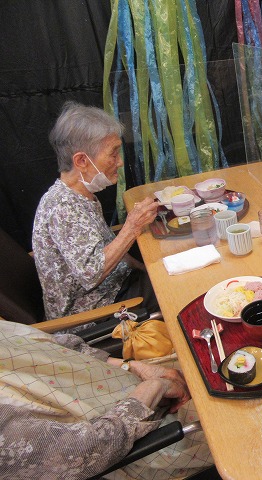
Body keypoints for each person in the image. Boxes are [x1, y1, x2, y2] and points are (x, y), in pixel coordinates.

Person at [0, 319, 214, 479]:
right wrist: (155, 387)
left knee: (208, 350)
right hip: (144, 445)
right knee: (228, 413)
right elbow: (89, 449)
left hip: (133, 384)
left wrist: (133, 366)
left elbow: (61, 346)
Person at [32, 102, 160, 325]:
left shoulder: (81, 195)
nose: (120, 162)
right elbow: (91, 274)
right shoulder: (62, 207)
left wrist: (145, 269)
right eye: (113, 153)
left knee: (168, 269)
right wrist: (132, 226)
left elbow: (106, 246)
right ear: (82, 161)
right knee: (184, 288)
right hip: (94, 311)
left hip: (116, 284)